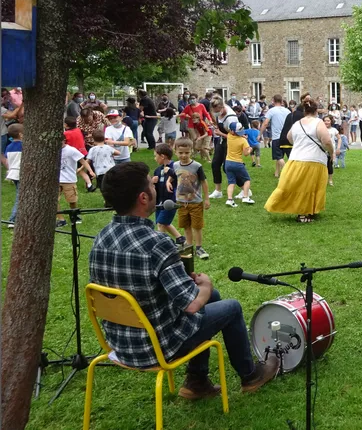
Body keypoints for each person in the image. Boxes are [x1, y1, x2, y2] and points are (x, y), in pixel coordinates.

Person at [89, 161, 279, 399]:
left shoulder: (101, 237)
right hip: (156, 346)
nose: (155, 185)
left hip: (120, 343)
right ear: (143, 198)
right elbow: (191, 305)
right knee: (231, 307)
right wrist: (205, 284)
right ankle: (251, 377)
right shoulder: (157, 243)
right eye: (151, 183)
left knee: (215, 298)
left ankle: (196, 381)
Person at [265, 99, 334, 223]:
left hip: (295, 159)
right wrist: (331, 152)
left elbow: (289, 138)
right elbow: (327, 141)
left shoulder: (297, 124)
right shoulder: (318, 122)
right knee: (309, 187)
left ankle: (309, 210)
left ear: (304, 111)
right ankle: (303, 214)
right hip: (313, 160)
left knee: (300, 186)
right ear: (316, 111)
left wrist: (300, 144)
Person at [173, 138, 211, 259]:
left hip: (195, 202)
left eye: (187, 152)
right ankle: (189, 246)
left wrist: (206, 198)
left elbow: (204, 182)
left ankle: (199, 247)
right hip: (181, 202)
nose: (183, 155)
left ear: (192, 151)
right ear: (175, 152)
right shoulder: (175, 165)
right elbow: (174, 178)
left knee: (197, 226)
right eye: (181, 153)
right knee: (186, 226)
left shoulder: (196, 166)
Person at [57, 135, 96, 227]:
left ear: (64, 141)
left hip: (69, 179)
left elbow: (83, 161)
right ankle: (61, 219)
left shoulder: (71, 150)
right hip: (56, 180)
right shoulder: (52, 150)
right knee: (54, 201)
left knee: (72, 200)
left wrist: (90, 171)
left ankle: (75, 215)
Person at [209, 97, 242, 198]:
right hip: (222, 141)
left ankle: (245, 188)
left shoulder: (231, 117)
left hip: (231, 143)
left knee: (227, 167)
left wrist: (220, 133)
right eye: (215, 112)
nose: (216, 114)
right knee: (215, 164)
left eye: (217, 111)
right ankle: (218, 191)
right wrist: (214, 126)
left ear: (222, 107)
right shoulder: (219, 110)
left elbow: (236, 136)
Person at [153, 144, 183, 244]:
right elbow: (155, 189)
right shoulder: (157, 170)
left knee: (161, 224)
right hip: (159, 202)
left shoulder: (176, 167)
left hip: (171, 201)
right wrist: (153, 183)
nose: (154, 159)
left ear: (162, 156)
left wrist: (170, 172)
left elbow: (182, 178)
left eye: (155, 156)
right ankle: (180, 238)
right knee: (162, 223)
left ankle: (159, 245)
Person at [224, 123, 255, 207]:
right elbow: (245, 154)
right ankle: (245, 197)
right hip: (238, 163)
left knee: (231, 182)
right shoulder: (243, 141)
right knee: (247, 180)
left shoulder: (229, 136)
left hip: (228, 163)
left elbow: (232, 133)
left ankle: (229, 199)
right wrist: (250, 149)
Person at [260, 94, 291, 178]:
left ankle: (287, 173)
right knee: (280, 156)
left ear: (273, 101)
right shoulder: (287, 111)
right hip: (286, 137)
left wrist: (260, 134)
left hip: (277, 137)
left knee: (278, 156)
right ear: (281, 101)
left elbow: (265, 123)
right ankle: (276, 173)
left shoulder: (271, 110)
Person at [64, 116, 95, 192]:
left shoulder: (66, 134)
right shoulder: (78, 130)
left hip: (73, 154)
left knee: (78, 170)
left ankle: (89, 184)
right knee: (80, 169)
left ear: (66, 125)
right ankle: (89, 184)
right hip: (83, 152)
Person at [4, 124, 23, 228]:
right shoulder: (23, 145)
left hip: (13, 173)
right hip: (20, 173)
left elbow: (7, 162)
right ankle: (12, 220)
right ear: (21, 134)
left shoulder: (9, 146)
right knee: (19, 196)